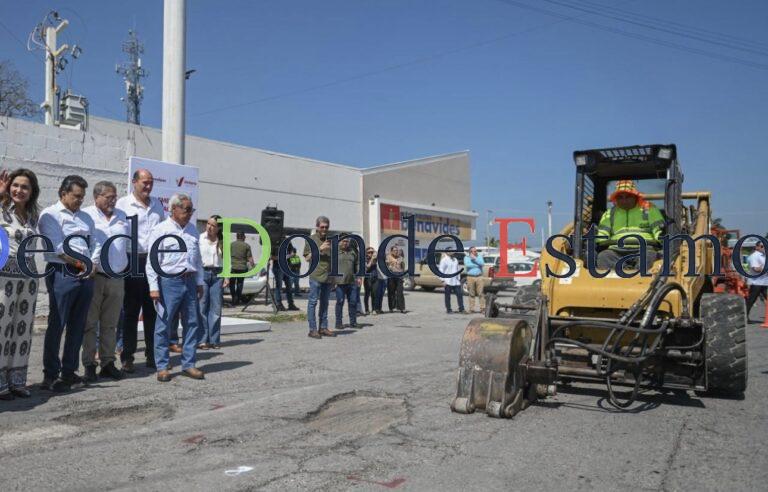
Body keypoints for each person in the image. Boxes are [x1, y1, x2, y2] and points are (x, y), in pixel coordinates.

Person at [39, 175, 99, 392]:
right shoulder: (50, 215)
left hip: (86, 276)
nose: (80, 201)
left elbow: (95, 243)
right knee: (58, 323)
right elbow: (57, 248)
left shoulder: (85, 218)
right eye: (76, 196)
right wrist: (83, 265)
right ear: (63, 193)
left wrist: (92, 264)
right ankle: (50, 375)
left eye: (82, 197)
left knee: (77, 325)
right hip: (62, 272)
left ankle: (69, 371)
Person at [147, 193, 204, 382]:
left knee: (192, 324)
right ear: (173, 209)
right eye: (187, 209)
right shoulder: (160, 229)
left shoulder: (193, 231)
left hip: (189, 281)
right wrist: (154, 287)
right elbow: (152, 262)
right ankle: (162, 367)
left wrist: (199, 282)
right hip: (168, 282)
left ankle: (189, 364)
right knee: (164, 324)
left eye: (191, 210)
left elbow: (198, 260)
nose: (190, 213)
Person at [116, 169, 165, 372]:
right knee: (130, 311)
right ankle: (127, 356)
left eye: (151, 182)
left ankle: (153, 355)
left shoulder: (157, 206)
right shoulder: (123, 204)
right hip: (131, 260)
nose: (148, 186)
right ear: (134, 182)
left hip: (152, 261)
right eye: (145, 182)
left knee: (152, 311)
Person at [81, 181, 128, 382]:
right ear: (97, 197)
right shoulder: (86, 215)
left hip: (117, 277)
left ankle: (108, 363)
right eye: (109, 196)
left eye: (115, 196)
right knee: (90, 324)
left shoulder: (122, 216)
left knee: (110, 324)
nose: (113, 200)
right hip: (95, 277)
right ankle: (89, 365)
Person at [0, 169, 40, 399]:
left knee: (22, 330)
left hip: (29, 278)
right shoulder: (2, 210)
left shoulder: (34, 215)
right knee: (2, 329)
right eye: (15, 185)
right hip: (4, 275)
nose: (19, 190)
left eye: (25, 187)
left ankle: (16, 380)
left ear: (31, 191)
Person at [596, 180, 665, 271]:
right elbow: (602, 233)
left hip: (644, 248)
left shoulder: (649, 209)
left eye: (628, 196)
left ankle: (640, 280)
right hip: (616, 249)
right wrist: (597, 240)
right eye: (620, 197)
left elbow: (659, 229)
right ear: (616, 199)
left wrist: (662, 240)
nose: (624, 200)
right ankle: (621, 277)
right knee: (603, 257)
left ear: (635, 197)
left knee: (649, 257)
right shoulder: (610, 213)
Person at [303, 216, 337, 339]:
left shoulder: (331, 240)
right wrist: (320, 249)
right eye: (322, 227)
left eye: (326, 227)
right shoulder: (311, 240)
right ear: (317, 227)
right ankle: (312, 329)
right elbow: (307, 258)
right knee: (313, 302)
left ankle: (323, 327)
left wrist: (334, 277)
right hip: (316, 276)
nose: (324, 229)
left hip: (328, 277)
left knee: (325, 303)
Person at [199, 215, 228, 350]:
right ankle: (202, 339)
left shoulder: (223, 241)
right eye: (208, 224)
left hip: (218, 274)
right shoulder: (200, 238)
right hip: (203, 273)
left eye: (213, 225)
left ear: (219, 228)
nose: (209, 227)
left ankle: (214, 339)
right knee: (202, 307)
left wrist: (227, 277)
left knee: (216, 308)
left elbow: (227, 261)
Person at [334, 238, 359, 329]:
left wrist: (358, 277)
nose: (345, 243)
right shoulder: (334, 252)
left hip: (352, 282)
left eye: (347, 241)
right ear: (339, 242)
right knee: (340, 302)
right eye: (343, 241)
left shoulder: (352, 252)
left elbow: (357, 264)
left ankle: (353, 322)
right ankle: (338, 323)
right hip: (339, 282)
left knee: (353, 302)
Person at [746, 241, 768, 322]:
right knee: (751, 301)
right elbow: (755, 269)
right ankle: (745, 317)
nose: (764, 248)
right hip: (756, 282)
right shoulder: (754, 256)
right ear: (757, 247)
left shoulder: (763, 255)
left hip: (764, 282)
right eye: (762, 246)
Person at [229, 232, 253, 305]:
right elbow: (250, 258)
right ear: (243, 237)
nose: (245, 238)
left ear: (237, 236)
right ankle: (237, 299)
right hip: (242, 268)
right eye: (244, 237)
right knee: (240, 284)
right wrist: (254, 267)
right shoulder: (247, 246)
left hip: (233, 267)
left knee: (232, 283)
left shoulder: (231, 245)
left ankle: (234, 297)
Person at [464, 247, 486, 313]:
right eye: (473, 251)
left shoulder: (479, 257)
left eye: (475, 251)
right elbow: (468, 265)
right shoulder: (466, 257)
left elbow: (482, 264)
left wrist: (475, 259)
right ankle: (471, 309)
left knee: (481, 293)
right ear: (470, 252)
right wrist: (477, 265)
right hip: (470, 277)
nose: (475, 252)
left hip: (479, 277)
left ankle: (483, 309)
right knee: (471, 293)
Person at [386, 245, 406, 313]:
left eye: (397, 250)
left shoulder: (400, 258)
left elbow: (403, 267)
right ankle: (391, 307)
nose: (396, 251)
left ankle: (401, 308)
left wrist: (403, 275)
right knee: (391, 292)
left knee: (400, 292)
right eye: (394, 250)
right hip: (391, 276)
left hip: (399, 276)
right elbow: (386, 266)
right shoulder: (388, 257)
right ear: (391, 251)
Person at [363, 247, 377, 315]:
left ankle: (374, 309)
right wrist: (372, 259)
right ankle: (366, 309)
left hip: (375, 278)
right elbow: (367, 267)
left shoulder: (375, 258)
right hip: (367, 278)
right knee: (367, 294)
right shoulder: (365, 259)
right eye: (369, 252)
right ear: (366, 253)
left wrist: (375, 253)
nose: (371, 254)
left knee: (374, 294)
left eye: (372, 252)